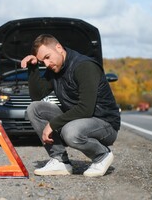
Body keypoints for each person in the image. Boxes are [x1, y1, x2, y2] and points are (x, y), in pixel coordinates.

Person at [21, 34, 120, 177]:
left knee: (70, 131)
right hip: (79, 119)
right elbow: (37, 96)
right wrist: (33, 68)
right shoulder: (54, 69)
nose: (47, 64)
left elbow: (86, 108)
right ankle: (60, 160)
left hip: (105, 124)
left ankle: (101, 155)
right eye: (43, 61)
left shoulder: (85, 66)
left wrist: (52, 124)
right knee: (35, 109)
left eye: (48, 57)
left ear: (59, 48)